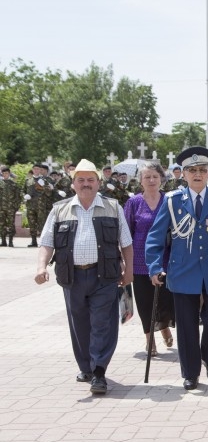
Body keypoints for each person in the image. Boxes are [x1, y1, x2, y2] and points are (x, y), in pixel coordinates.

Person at [34, 159, 134, 394]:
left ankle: (99, 371)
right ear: (73, 184)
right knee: (79, 324)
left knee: (102, 323)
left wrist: (128, 270)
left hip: (105, 276)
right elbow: (47, 242)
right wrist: (41, 267)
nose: (86, 184)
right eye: (81, 180)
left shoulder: (113, 207)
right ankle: (86, 367)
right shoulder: (60, 209)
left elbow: (126, 244)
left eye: (91, 180)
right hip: (72, 277)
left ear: (99, 183)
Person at [145, 146, 208, 390]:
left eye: (202, 170)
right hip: (183, 272)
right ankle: (190, 372)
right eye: (192, 170)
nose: (197, 174)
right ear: (183, 174)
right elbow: (155, 237)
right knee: (186, 326)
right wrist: (154, 267)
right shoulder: (173, 201)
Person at [123, 163, 176, 357]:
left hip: (167, 259)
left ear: (162, 178)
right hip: (139, 261)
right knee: (145, 302)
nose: (152, 180)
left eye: (155, 176)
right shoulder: (134, 203)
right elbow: (125, 233)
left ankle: (164, 328)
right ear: (140, 181)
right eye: (147, 177)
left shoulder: (169, 201)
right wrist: (124, 261)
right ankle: (149, 339)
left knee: (165, 299)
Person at [0, 166, 23, 247]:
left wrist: (15, 207)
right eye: (4, 173)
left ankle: (10, 241)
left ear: (9, 174)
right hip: (1, 208)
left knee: (11, 224)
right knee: (2, 224)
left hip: (11, 208)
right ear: (2, 174)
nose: (5, 175)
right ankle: (3, 241)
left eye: (7, 173)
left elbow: (18, 197)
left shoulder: (14, 184)